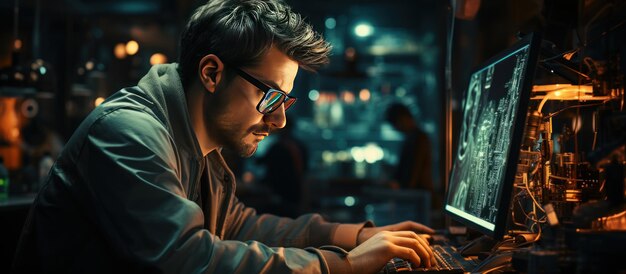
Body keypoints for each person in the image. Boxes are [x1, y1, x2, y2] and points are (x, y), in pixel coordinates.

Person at [12, 1, 436, 273]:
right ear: (212, 73)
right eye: (270, 95)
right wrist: (343, 266)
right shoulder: (129, 133)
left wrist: (354, 236)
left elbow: (237, 225)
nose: (279, 122)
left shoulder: (199, 145)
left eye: (284, 101)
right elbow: (187, 260)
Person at [385, 103, 434, 192]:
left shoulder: (419, 139)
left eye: (396, 124)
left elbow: (414, 173)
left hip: (419, 195)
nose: (397, 128)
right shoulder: (413, 138)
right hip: (417, 195)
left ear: (403, 119)